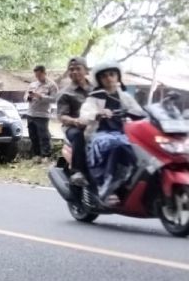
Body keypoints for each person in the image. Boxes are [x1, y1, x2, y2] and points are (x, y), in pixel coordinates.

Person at [79, 61, 145, 205]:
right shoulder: (94, 97)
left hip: (123, 133)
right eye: (104, 76)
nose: (109, 78)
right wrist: (98, 113)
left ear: (118, 76)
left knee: (140, 147)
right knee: (114, 144)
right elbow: (85, 114)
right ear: (100, 80)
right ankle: (105, 184)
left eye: (112, 74)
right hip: (100, 134)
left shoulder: (125, 97)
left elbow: (139, 112)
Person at [57, 57, 93, 186]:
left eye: (78, 68)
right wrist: (76, 121)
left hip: (96, 125)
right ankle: (77, 171)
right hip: (74, 127)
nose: (74, 72)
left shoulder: (97, 89)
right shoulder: (65, 93)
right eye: (71, 69)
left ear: (86, 71)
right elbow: (62, 116)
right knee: (78, 135)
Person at [25, 65, 58, 159]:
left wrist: (41, 97)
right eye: (36, 75)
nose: (38, 77)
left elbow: (55, 99)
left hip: (42, 114)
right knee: (33, 135)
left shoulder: (52, 85)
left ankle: (46, 155)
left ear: (44, 73)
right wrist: (29, 97)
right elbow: (25, 96)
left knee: (43, 136)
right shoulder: (32, 84)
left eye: (39, 75)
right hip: (31, 113)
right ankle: (36, 155)